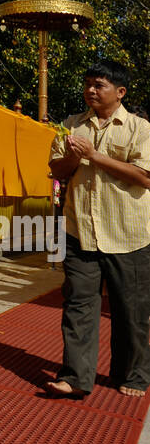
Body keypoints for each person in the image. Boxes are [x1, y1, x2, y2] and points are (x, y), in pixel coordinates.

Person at [48, 61, 150, 399]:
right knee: (78, 305)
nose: (91, 90)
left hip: (128, 234)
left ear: (120, 92)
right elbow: (57, 171)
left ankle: (133, 375)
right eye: (88, 83)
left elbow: (145, 177)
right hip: (80, 232)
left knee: (130, 311)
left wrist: (94, 155)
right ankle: (74, 377)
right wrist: (75, 158)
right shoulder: (71, 126)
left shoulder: (140, 129)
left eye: (99, 85)